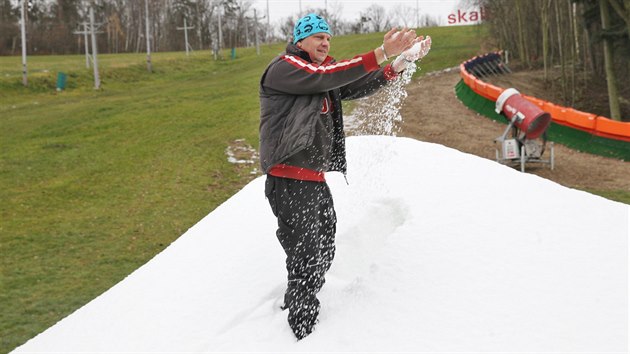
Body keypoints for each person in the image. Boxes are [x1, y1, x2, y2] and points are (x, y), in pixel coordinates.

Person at [259, 13, 431, 340]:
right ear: (300, 41)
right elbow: (326, 76)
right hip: (289, 180)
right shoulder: (285, 68)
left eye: (328, 38)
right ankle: (302, 329)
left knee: (323, 246)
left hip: (313, 179)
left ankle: (299, 300)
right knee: (307, 250)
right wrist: (382, 51)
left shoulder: (319, 75)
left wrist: (400, 62)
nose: (325, 42)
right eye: (318, 37)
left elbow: (355, 83)